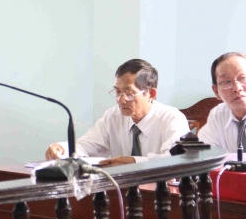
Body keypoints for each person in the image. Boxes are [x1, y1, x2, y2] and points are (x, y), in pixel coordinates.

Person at [45, 58, 189, 166]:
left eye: (129, 93)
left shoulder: (172, 118)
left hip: (162, 193)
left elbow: (175, 159)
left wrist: (133, 162)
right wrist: (62, 148)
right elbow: (87, 145)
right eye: (118, 92)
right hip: (120, 191)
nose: (121, 100)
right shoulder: (113, 116)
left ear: (151, 94)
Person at [198, 52, 246, 152]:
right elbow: (204, 153)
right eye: (226, 82)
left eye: (242, 78)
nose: (237, 88)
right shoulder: (218, 115)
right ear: (216, 91)